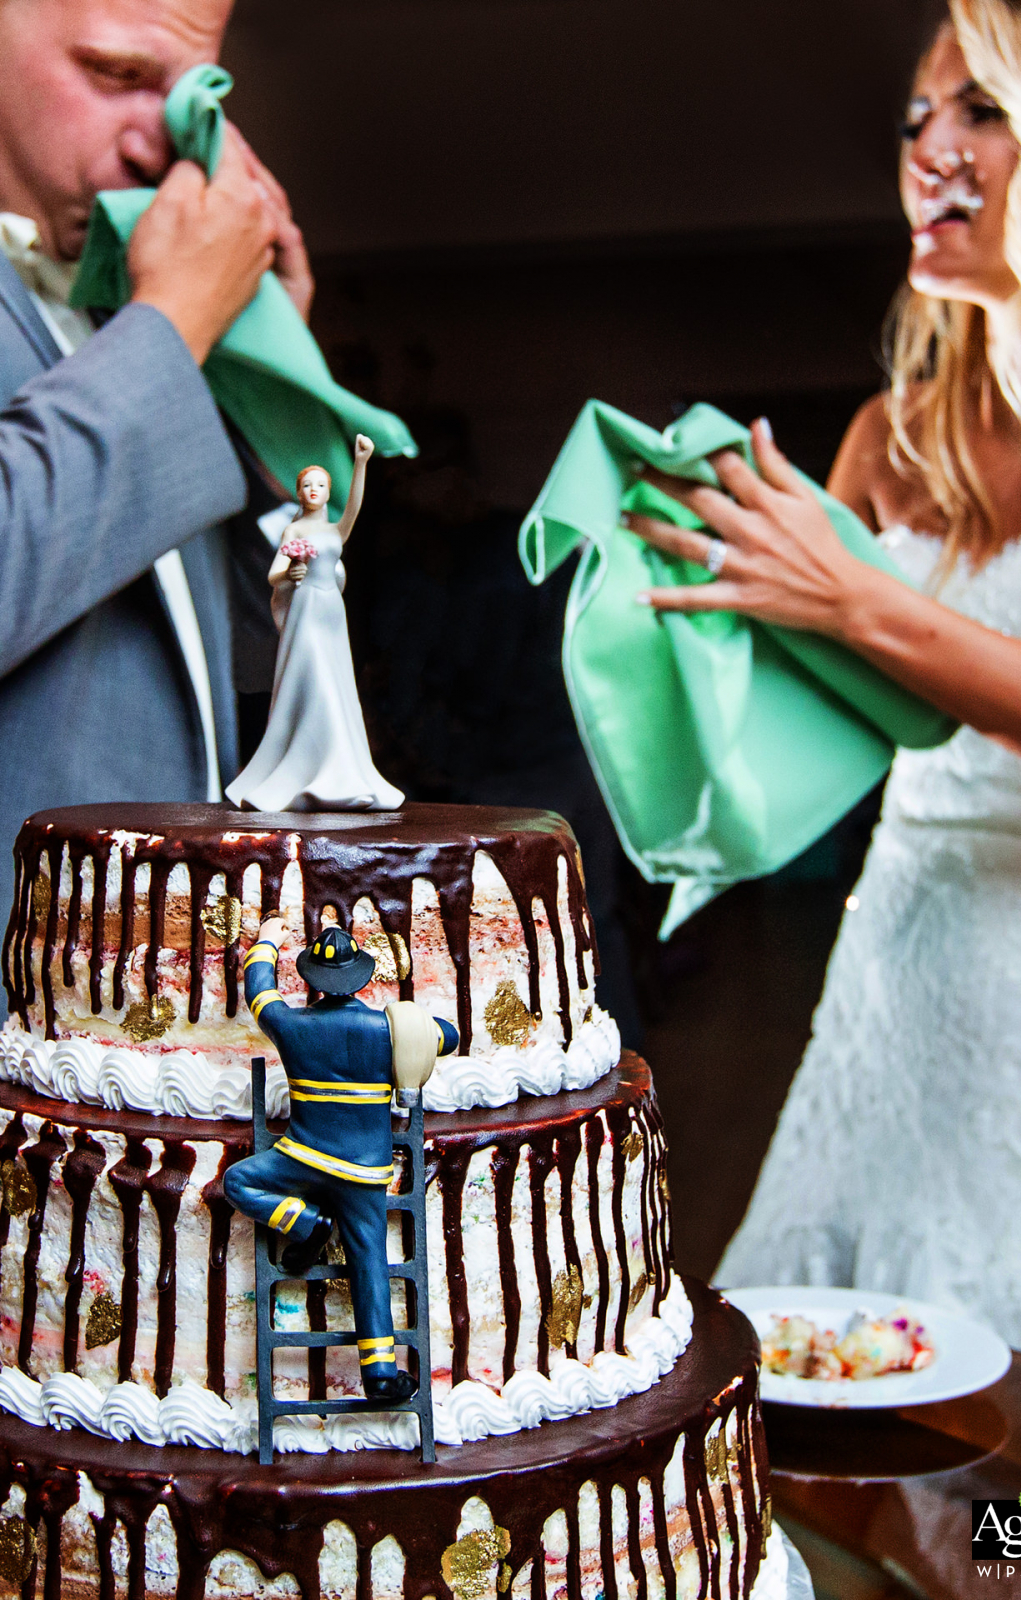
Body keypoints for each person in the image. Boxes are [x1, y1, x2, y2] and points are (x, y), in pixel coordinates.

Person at [626, 0, 1021, 1360]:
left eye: (978, 110)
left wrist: (857, 600)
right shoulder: (895, 429)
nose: (928, 151)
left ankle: (1005, 1574)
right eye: (911, 120)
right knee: (843, 1392)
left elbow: (872, 623)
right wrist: (699, 590)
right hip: (898, 965)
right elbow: (816, 714)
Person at [0, 0, 315, 946]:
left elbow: (234, 680)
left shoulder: (118, 318)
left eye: (187, 99)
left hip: (135, 1028)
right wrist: (173, 326)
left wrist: (259, 386)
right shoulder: (152, 329)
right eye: (116, 75)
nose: (162, 147)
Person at [224, 916, 460, 1401]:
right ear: (362, 976)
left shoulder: (291, 1025)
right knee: (370, 1261)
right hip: (365, 1169)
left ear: (311, 978)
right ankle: (380, 1374)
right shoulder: (384, 1031)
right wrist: (414, 1025)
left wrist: (268, 939)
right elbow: (450, 1036)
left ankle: (305, 1222)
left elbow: (259, 992)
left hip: (302, 1157)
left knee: (238, 1183)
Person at [226, 442, 405, 812]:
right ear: (300, 492)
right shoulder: (293, 534)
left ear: (326, 493)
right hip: (305, 612)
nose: (313, 491)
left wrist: (360, 463)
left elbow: (354, 506)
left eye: (320, 486)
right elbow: (273, 574)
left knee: (337, 685)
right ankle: (311, 770)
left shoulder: (336, 531)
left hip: (330, 612)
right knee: (315, 682)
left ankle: (342, 771)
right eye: (307, 485)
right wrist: (291, 572)